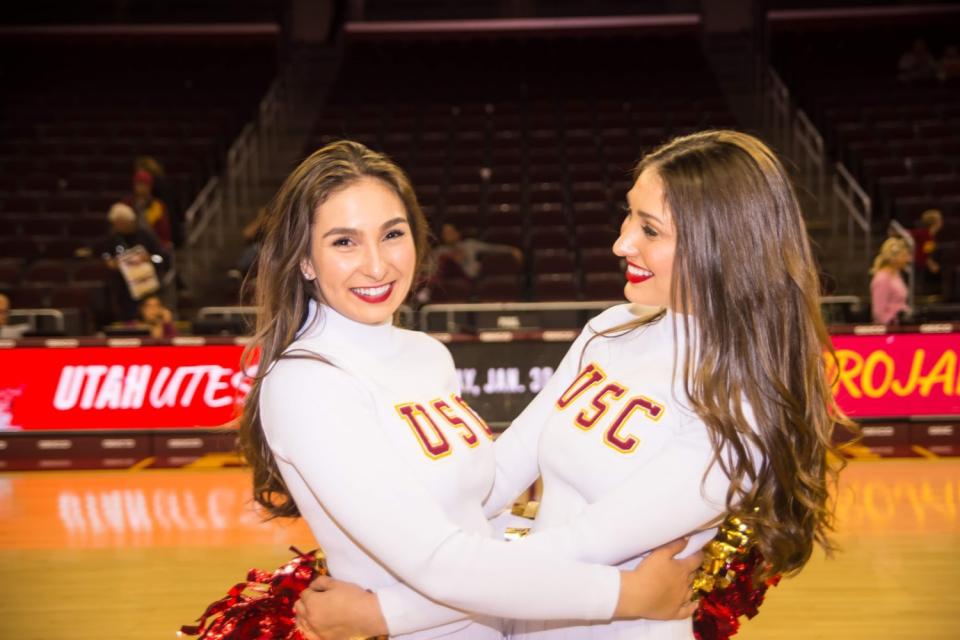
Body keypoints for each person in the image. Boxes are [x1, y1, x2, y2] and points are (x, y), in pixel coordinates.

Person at [295, 131, 849, 640]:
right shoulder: (608, 330)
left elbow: (579, 548)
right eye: (628, 217)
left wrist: (386, 613)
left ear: (721, 246)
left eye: (649, 229)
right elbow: (496, 476)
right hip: (515, 622)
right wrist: (393, 548)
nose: (621, 243)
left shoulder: (742, 408)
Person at [235, 140, 702, 640]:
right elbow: (440, 562)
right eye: (343, 242)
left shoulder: (426, 355)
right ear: (304, 260)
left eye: (393, 234)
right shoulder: (305, 382)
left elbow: (474, 512)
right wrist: (629, 594)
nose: (376, 265)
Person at [98, 202, 169, 323]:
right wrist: (111, 263)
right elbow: (105, 257)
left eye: (119, 223)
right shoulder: (113, 238)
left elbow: (162, 258)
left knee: (152, 318)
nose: (117, 226)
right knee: (130, 321)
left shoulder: (146, 236)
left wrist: (150, 258)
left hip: (148, 288)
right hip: (125, 291)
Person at [434, 222, 523, 279]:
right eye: (445, 233)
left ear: (458, 233)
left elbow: (491, 248)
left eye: (451, 232)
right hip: (447, 283)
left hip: (472, 280)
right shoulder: (439, 252)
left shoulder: (470, 244)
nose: (449, 235)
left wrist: (511, 250)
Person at [870, 236, 912, 325]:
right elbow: (878, 313)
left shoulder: (896, 275)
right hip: (890, 330)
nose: (908, 259)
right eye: (904, 255)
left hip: (900, 326)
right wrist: (892, 326)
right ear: (894, 258)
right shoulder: (882, 278)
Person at [127, 167, 173, 248]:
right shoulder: (127, 204)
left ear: (150, 186)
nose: (142, 188)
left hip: (153, 245)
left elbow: (164, 231)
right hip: (131, 244)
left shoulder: (158, 205)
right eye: (139, 184)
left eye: (144, 185)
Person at [911, 208, 943, 297]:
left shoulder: (930, 236)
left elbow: (926, 253)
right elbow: (908, 234)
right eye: (940, 220)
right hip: (915, 263)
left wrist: (930, 263)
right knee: (915, 285)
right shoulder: (924, 234)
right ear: (935, 222)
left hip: (920, 264)